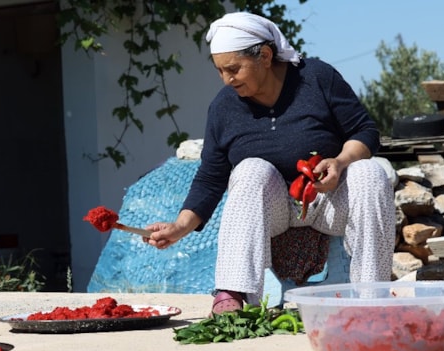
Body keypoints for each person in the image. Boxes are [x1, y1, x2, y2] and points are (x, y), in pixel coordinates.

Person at [143, 12, 395, 314]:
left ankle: (372, 298)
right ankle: (233, 294)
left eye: (234, 69)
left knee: (370, 172)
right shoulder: (223, 108)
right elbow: (211, 177)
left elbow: (364, 131)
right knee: (251, 169)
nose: (227, 79)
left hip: (327, 200)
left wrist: (340, 162)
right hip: (272, 210)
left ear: (264, 55)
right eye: (220, 71)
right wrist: (179, 226)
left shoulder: (316, 78)